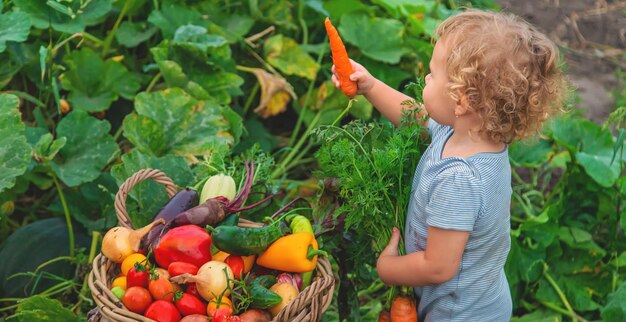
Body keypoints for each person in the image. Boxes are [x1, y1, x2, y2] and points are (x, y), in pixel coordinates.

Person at [331, 10, 567, 321]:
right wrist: (370, 87)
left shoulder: (460, 180)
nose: (426, 78)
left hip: (460, 313)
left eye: (432, 74)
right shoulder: (469, 133)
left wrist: (387, 268)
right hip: (470, 299)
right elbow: (416, 118)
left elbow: (438, 266)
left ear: (460, 100)